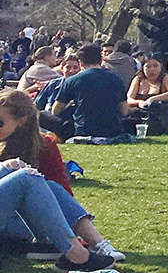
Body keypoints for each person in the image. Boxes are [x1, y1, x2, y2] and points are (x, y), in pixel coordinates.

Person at [0, 89, 126, 263]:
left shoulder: (43, 146)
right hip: (8, 221)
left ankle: (98, 243)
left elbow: (62, 193)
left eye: (0, 122)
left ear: (21, 121)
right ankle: (77, 255)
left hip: (28, 223)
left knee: (50, 185)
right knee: (25, 177)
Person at [56, 44, 139, 142]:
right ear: (101, 60)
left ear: (81, 63)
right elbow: (124, 110)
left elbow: (56, 110)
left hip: (83, 130)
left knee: (43, 115)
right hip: (113, 130)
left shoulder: (73, 80)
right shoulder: (117, 79)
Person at [127, 56, 168, 134]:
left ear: (161, 66)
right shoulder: (138, 79)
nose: (152, 70)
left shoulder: (166, 78)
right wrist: (140, 103)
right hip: (139, 115)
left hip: (158, 117)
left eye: (155, 66)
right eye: (148, 67)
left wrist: (153, 99)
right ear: (142, 68)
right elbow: (129, 99)